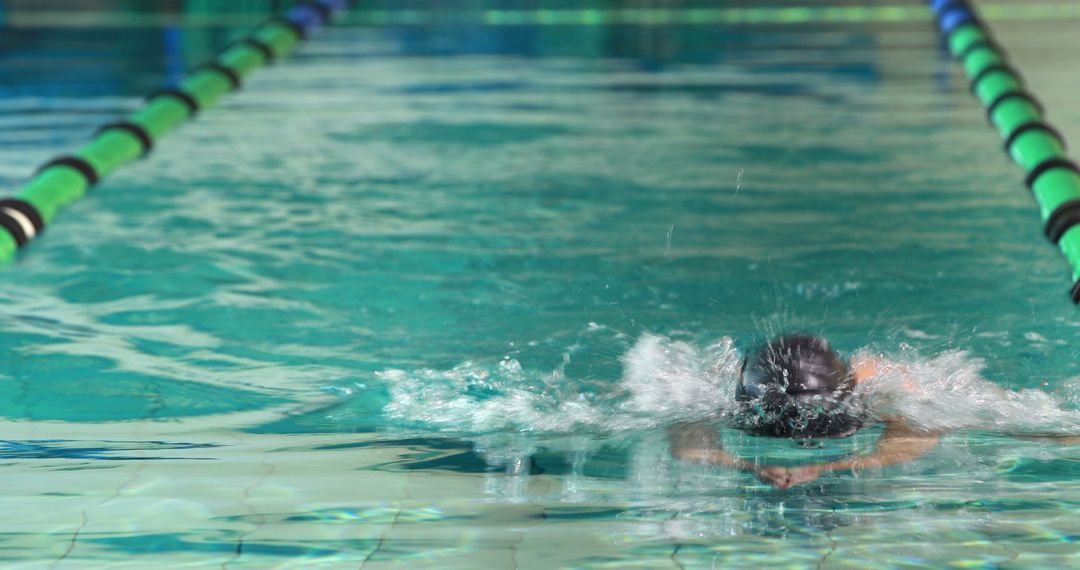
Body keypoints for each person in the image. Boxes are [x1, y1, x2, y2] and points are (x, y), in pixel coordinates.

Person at [668, 334, 942, 489]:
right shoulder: (715, 392)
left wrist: (826, 467)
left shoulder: (877, 385)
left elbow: (919, 436)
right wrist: (750, 466)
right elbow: (687, 444)